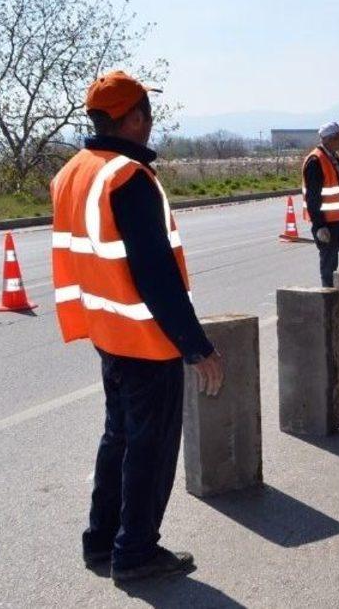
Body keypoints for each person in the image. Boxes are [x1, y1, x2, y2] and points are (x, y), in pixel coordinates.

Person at [50, 71, 224, 584]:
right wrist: (197, 347)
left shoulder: (72, 173)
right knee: (150, 447)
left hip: (108, 333)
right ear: (131, 119)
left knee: (119, 439)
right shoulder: (127, 177)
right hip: (147, 341)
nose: (150, 123)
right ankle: (136, 552)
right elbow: (155, 274)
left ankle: (102, 542)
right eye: (146, 114)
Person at [303, 122, 339, 287]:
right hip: (327, 223)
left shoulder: (333, 158)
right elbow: (312, 197)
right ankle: (330, 299)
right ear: (329, 139)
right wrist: (319, 226)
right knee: (329, 266)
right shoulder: (315, 161)